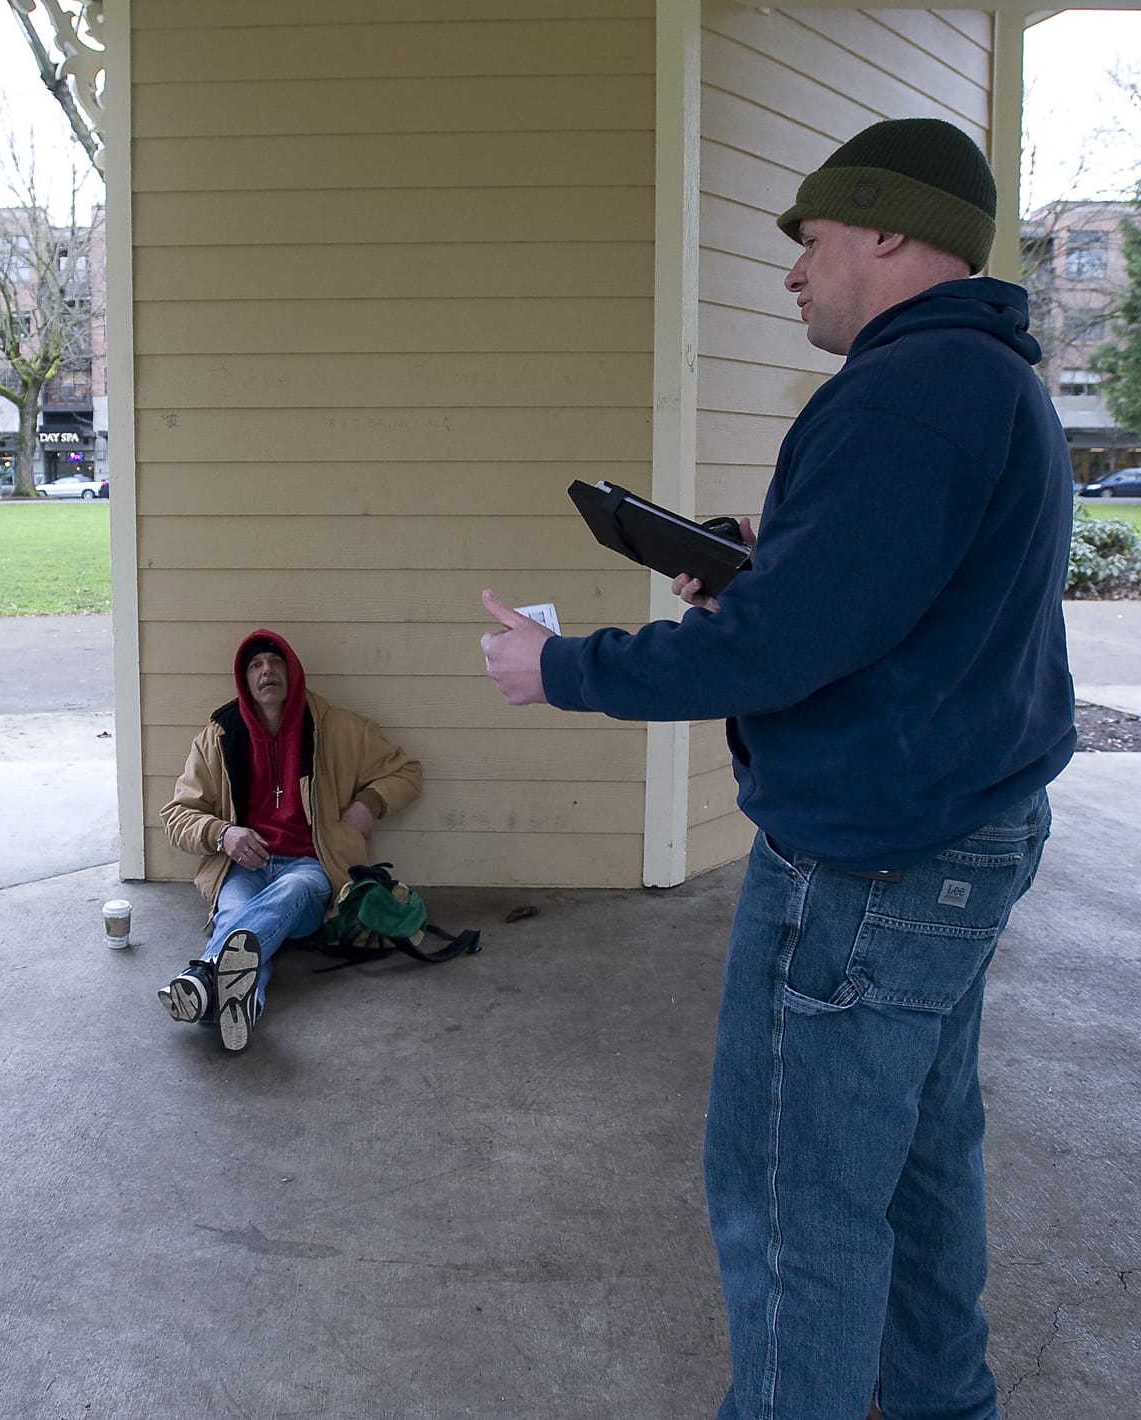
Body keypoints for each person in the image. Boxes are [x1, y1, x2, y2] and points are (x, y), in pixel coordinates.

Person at [480, 118, 1074, 1420]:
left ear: (889, 232)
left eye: (809, 243)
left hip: (868, 864)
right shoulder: (988, 382)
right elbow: (882, 592)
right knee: (919, 1163)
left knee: (788, 1196)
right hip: (960, 832)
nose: (794, 274)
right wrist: (770, 551)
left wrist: (568, 667)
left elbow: (780, 649)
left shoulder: (902, 397)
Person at [159, 629, 422, 1052]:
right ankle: (238, 1001)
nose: (267, 671)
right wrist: (223, 834)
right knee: (241, 930)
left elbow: (406, 771)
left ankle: (204, 975)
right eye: (255, 665)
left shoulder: (334, 728)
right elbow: (175, 815)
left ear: (293, 672)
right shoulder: (219, 736)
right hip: (243, 870)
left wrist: (368, 804)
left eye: (276, 662)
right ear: (244, 681)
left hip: (309, 869)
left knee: (291, 891)